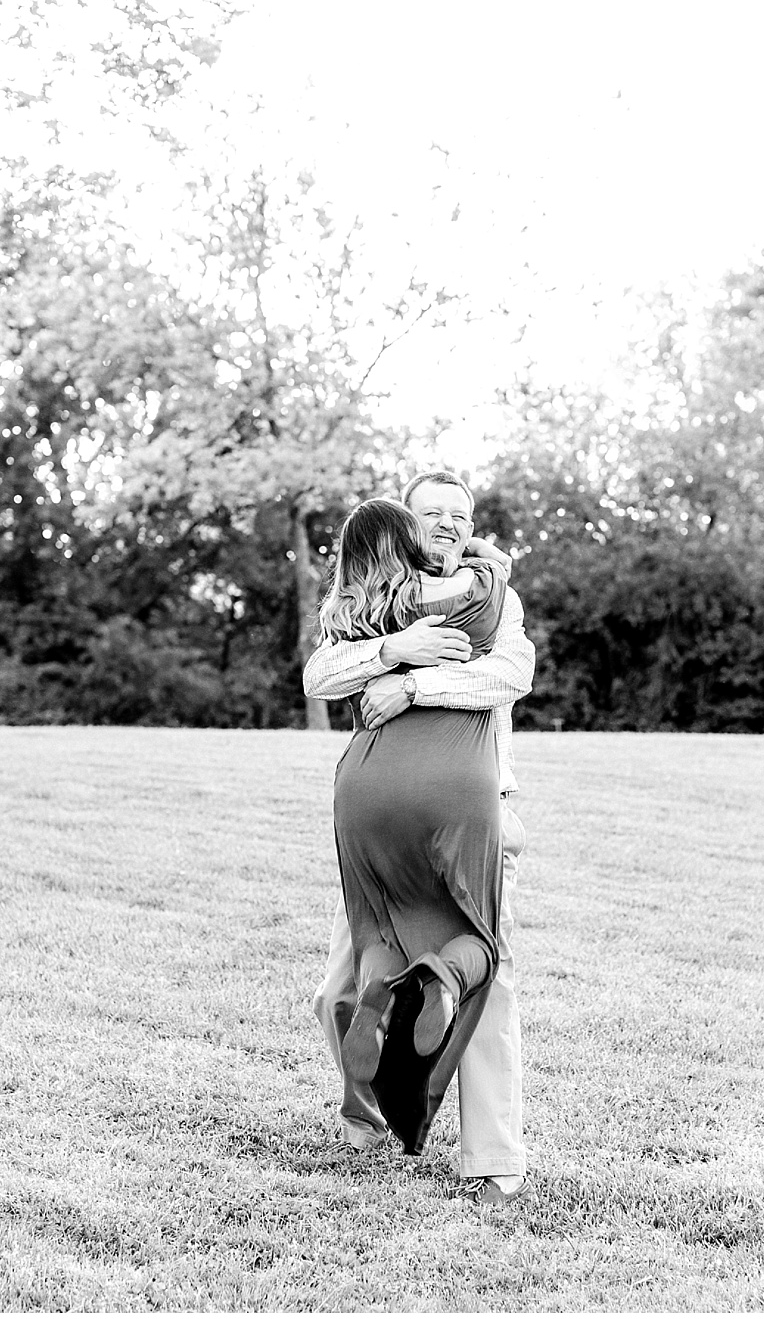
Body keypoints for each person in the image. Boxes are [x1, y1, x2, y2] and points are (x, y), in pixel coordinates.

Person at [305, 471, 533, 1206]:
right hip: (380, 824)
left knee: (489, 993)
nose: (447, 524)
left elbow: (510, 672)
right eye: (431, 512)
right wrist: (393, 651)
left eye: (459, 515)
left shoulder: (493, 591)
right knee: (336, 991)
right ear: (405, 522)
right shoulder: (378, 598)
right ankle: (374, 1113)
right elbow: (321, 674)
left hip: (476, 808)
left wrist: (411, 686)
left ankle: (494, 1162)